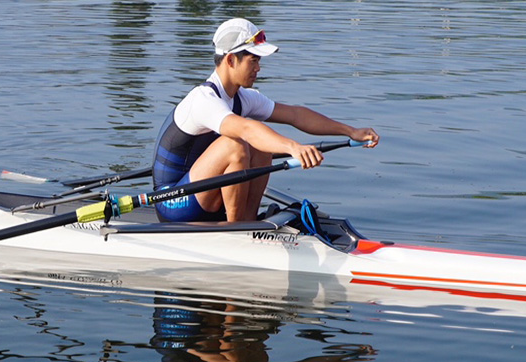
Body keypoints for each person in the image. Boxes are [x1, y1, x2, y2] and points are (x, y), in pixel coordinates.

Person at [152, 18, 380, 222]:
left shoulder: (244, 98)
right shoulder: (204, 100)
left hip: (203, 193)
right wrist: (293, 147)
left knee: (262, 143)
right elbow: (247, 129)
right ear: (231, 60)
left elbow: (296, 115)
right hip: (172, 200)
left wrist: (350, 131)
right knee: (236, 144)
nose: (259, 68)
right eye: (253, 61)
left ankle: (247, 221)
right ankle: (236, 230)